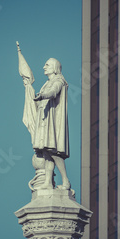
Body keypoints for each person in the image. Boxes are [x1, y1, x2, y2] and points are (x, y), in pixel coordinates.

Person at [33, 58, 70, 190]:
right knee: (47, 153)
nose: (44, 67)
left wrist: (42, 96)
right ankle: (48, 182)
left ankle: (65, 181)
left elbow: (53, 92)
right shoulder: (46, 83)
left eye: (47, 65)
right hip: (44, 120)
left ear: (54, 67)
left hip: (52, 122)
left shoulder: (58, 80)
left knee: (53, 151)